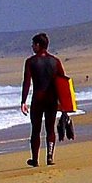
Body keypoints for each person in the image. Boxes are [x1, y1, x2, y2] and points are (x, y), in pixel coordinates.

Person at [20, 32, 65, 167]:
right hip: (52, 99)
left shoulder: (30, 62)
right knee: (50, 129)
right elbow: (62, 82)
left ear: (38, 45)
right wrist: (63, 102)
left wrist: (23, 101)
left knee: (36, 130)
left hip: (38, 99)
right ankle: (50, 157)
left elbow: (27, 82)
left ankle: (35, 159)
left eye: (33, 44)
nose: (32, 47)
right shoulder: (55, 61)